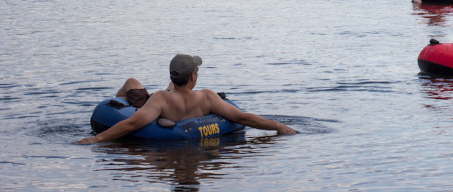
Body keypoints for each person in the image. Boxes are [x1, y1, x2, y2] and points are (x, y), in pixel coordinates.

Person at [76, 54, 296, 144]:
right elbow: (243, 117)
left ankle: (126, 97)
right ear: (193, 76)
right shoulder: (207, 98)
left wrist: (95, 139)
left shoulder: (161, 99)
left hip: (163, 105)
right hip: (177, 100)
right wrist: (277, 126)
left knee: (132, 82)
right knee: (167, 89)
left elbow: (133, 123)